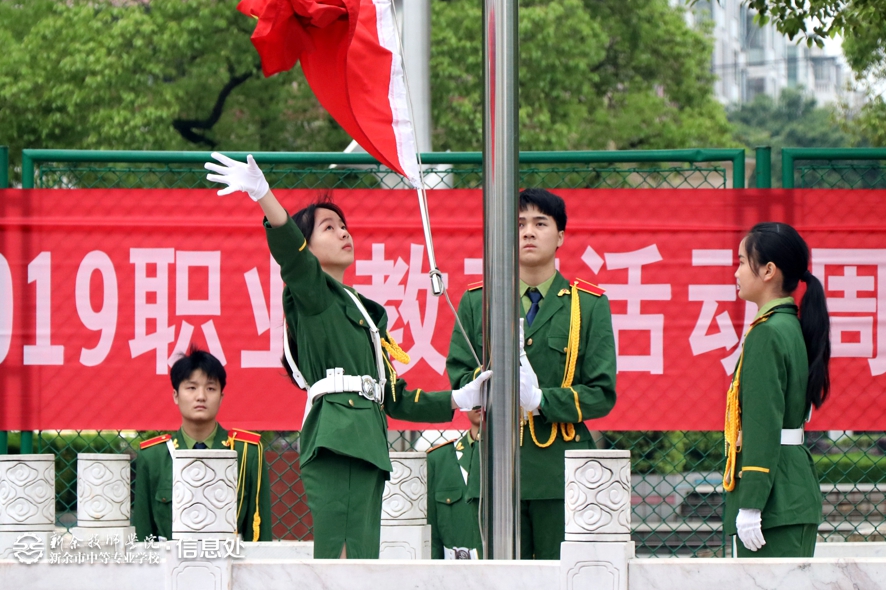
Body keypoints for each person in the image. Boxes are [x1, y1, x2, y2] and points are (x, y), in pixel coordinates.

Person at [204, 153, 491, 560]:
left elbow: (394, 397)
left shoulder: (363, 312)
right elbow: (292, 256)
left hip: (367, 441)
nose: (342, 233)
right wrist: (264, 195)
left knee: (361, 558)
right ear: (308, 245)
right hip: (339, 438)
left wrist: (460, 398)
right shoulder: (314, 294)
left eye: (344, 226)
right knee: (342, 559)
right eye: (328, 227)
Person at [446, 188, 617, 560]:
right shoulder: (478, 300)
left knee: (564, 576)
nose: (528, 232)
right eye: (519, 223)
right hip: (495, 468)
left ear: (560, 236)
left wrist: (542, 401)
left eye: (540, 223)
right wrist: (480, 393)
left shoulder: (588, 305)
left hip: (561, 469)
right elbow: (459, 372)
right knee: (499, 580)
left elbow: (601, 393)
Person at [723, 222, 830, 557]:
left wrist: (751, 503)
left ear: (768, 271)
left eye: (743, 262)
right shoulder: (787, 326)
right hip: (788, 489)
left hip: (773, 501)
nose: (737, 272)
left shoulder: (767, 333)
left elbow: (763, 424)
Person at [133, 349, 272, 542]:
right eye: (191, 388)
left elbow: (259, 533)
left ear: (221, 397)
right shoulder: (153, 457)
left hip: (230, 557)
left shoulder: (246, 452)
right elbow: (143, 533)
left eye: (210, 388)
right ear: (175, 395)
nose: (201, 396)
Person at [426, 408, 483, 559]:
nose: (481, 403)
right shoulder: (439, 459)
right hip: (455, 568)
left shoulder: (522, 455)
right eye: (475, 397)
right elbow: (431, 534)